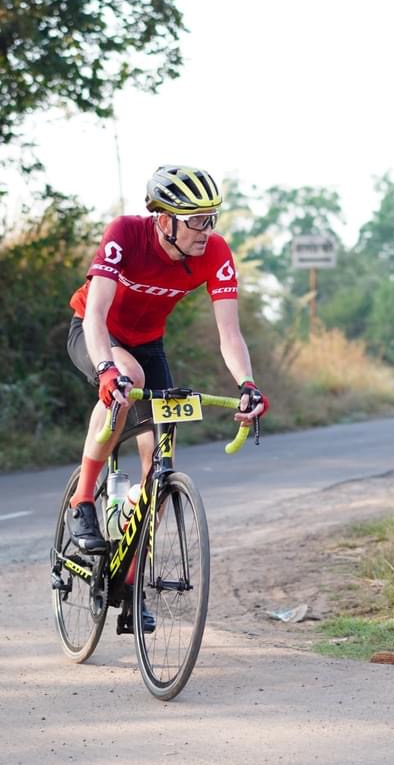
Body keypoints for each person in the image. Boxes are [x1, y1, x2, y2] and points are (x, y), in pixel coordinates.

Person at [65, 164, 269, 568]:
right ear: (163, 220)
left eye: (211, 218)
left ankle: (129, 576)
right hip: (95, 333)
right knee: (128, 379)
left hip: (148, 345)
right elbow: (96, 314)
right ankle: (82, 499)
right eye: (196, 220)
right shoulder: (126, 234)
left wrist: (247, 384)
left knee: (160, 466)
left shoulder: (216, 252)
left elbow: (230, 334)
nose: (206, 229)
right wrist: (106, 369)